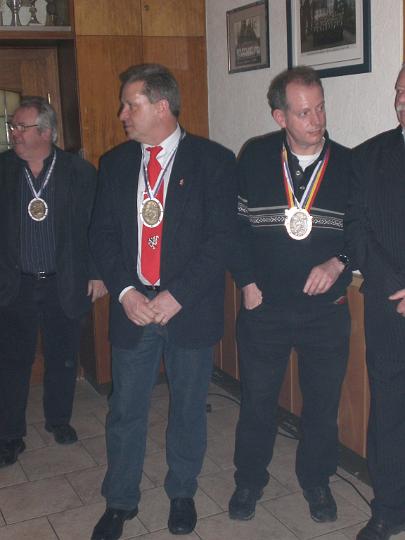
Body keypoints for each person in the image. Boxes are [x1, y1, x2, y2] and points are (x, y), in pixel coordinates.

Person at [90, 64, 235, 540]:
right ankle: (120, 500)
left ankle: (182, 492)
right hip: (134, 307)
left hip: (187, 309)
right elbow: (101, 236)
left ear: (161, 106)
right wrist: (126, 292)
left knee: (188, 407)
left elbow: (221, 239)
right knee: (125, 410)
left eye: (130, 104)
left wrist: (177, 295)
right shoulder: (114, 163)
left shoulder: (214, 161)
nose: (122, 114)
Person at [228, 66, 352, 523]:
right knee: (258, 402)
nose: (317, 120)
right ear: (280, 116)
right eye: (304, 113)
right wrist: (246, 282)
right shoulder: (255, 157)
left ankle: (316, 480)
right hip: (265, 307)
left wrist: (338, 262)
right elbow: (234, 229)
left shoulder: (349, 164)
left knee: (322, 406)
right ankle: (249, 479)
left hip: (326, 312)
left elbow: (361, 232)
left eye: (320, 108)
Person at [0, 96, 107, 466]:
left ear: (45, 132)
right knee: (12, 361)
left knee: (63, 357)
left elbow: (97, 227)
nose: (14, 132)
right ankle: (10, 435)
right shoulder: (3, 170)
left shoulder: (80, 172)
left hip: (65, 282)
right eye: (12, 126)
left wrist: (97, 272)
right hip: (15, 285)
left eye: (21, 127)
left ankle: (59, 420)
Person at [345, 64, 405, 540]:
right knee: (390, 410)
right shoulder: (367, 157)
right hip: (389, 306)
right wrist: (393, 283)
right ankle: (388, 507)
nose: (402, 100)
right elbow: (356, 229)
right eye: (400, 91)